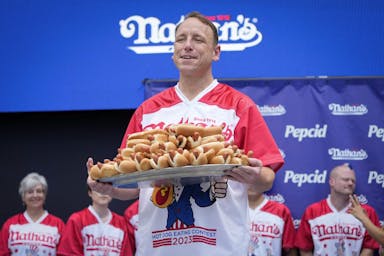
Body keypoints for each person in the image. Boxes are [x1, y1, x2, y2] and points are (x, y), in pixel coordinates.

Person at [87, 11, 284, 255]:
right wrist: (111, 189)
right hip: (157, 247)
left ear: (216, 52)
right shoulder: (147, 111)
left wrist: (254, 175)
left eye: (198, 39)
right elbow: (138, 184)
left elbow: (267, 177)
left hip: (221, 247)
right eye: (181, 39)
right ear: (173, 50)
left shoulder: (239, 105)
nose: (187, 46)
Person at [295, 163, 380, 255]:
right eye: (345, 179)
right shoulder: (312, 211)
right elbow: (305, 248)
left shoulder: (367, 212)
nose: (350, 183)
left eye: (353, 181)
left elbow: (369, 247)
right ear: (332, 182)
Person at [0, 172, 65, 255]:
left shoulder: (58, 225)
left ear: (44, 195)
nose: (35, 195)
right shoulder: (10, 225)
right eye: (30, 192)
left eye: (39, 191)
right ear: (23, 197)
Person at [57, 186, 133, 256]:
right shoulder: (77, 220)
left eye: (107, 187)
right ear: (90, 192)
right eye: (98, 188)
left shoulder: (122, 223)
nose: (103, 192)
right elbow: (68, 253)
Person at [247, 186, 297, 256]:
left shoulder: (281, 211)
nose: (250, 183)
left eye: (255, 177)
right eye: (245, 177)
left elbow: (290, 250)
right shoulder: (229, 211)